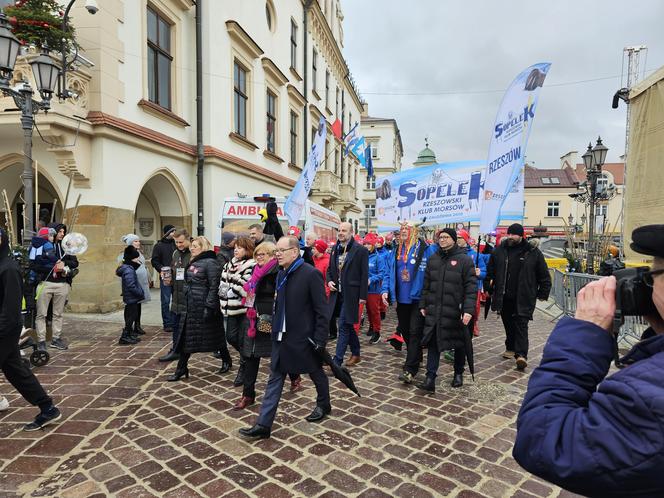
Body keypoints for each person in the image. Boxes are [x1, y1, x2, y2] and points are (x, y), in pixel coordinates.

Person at [513, 224, 664, 496]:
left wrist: (585, 332)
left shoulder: (647, 396)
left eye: (654, 274)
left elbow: (544, 438)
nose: (648, 285)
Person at [239, 235, 330, 440]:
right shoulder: (281, 274)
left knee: (316, 372)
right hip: (280, 336)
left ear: (294, 252)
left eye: (281, 250)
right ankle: (264, 424)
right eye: (276, 250)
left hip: (304, 338)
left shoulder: (311, 274)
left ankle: (324, 404)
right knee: (275, 378)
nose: (277, 254)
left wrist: (320, 340)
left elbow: (322, 311)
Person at [0, 228, 62, 431]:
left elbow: (10, 310)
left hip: (5, 329)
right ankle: (48, 408)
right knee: (16, 371)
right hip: (5, 329)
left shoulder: (8, 268)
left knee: (16, 370)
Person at [235, 242, 302, 410]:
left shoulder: (276, 273)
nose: (259, 257)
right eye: (257, 254)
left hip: (269, 320)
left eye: (263, 254)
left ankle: (295, 377)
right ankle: (248, 395)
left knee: (280, 353)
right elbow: (250, 293)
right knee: (250, 356)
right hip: (252, 319)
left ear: (272, 256)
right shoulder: (256, 272)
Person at [417, 229, 477, 391]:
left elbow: (471, 288)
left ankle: (458, 373)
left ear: (454, 240)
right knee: (433, 342)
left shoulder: (465, 260)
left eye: (446, 237)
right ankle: (430, 378)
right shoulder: (433, 259)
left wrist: (468, 310)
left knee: (459, 343)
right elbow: (426, 285)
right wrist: (423, 304)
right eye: (440, 237)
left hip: (456, 310)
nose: (442, 240)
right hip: (435, 310)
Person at [486, 223, 551, 371]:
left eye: (513, 234)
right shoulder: (499, 251)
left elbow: (544, 275)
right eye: (508, 234)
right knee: (508, 323)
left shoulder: (532, 252)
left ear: (521, 235)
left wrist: (543, 293)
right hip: (504, 296)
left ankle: (521, 355)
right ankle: (510, 347)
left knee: (521, 324)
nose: (510, 237)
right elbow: (491, 271)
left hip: (524, 296)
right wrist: (488, 287)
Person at [382, 223, 433, 384]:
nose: (402, 233)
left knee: (415, 331)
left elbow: (433, 273)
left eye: (406, 230)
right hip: (401, 299)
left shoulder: (425, 250)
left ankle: (410, 369)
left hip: (418, 299)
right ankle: (416, 356)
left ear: (414, 232)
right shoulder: (395, 250)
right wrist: (385, 290)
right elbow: (388, 272)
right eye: (401, 231)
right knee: (405, 331)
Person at [167, 236, 223, 381]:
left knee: (214, 336)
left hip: (203, 306)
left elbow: (214, 286)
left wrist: (209, 306)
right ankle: (181, 368)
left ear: (203, 247)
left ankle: (226, 359)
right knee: (187, 338)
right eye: (191, 245)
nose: (192, 248)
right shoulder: (194, 261)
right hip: (191, 306)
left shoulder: (211, 263)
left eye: (195, 246)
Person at [327, 222, 368, 366]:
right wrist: (329, 281)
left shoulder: (360, 250)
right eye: (339, 230)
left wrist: (363, 296)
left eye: (344, 230)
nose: (340, 233)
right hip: (337, 294)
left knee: (343, 325)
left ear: (351, 232)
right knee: (348, 325)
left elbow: (364, 274)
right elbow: (330, 269)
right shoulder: (334, 249)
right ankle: (356, 353)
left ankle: (337, 361)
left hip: (352, 294)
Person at [34, 223, 79, 351]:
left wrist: (64, 264)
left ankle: (56, 339)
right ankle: (41, 340)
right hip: (46, 283)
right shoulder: (43, 246)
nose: (62, 234)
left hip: (62, 284)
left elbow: (75, 262)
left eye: (64, 232)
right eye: (60, 232)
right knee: (41, 314)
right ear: (53, 232)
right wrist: (52, 266)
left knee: (58, 314)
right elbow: (35, 265)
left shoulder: (66, 248)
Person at [219, 236, 256, 385]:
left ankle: (243, 368)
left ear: (247, 250)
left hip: (243, 308)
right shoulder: (229, 264)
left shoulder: (251, 264)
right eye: (235, 247)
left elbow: (245, 284)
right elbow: (224, 281)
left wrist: (232, 287)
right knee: (231, 337)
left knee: (241, 338)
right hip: (229, 307)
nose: (236, 250)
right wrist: (224, 291)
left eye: (240, 248)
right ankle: (246, 359)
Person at [159, 229, 191, 362]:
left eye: (181, 242)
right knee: (176, 326)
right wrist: (168, 279)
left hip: (189, 297)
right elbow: (174, 270)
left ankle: (220, 351)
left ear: (188, 240)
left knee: (195, 330)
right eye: (177, 242)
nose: (179, 245)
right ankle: (176, 350)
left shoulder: (194, 253)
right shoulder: (175, 253)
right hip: (177, 297)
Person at [120, 234, 151, 337]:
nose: (138, 243)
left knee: (138, 305)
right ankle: (129, 328)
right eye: (135, 241)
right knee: (131, 307)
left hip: (140, 283)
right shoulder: (128, 253)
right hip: (133, 284)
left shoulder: (138, 253)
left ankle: (137, 325)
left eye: (138, 241)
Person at [116, 245, 145, 345]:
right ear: (132, 258)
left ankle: (128, 334)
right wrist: (140, 293)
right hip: (131, 297)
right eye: (136, 258)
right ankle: (124, 336)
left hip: (130, 298)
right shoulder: (129, 270)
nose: (138, 260)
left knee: (131, 316)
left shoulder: (128, 268)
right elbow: (131, 285)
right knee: (130, 317)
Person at [362, 233, 387, 344]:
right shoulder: (362, 256)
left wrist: (371, 279)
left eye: (369, 244)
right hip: (363, 289)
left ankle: (377, 332)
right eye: (365, 244)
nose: (366, 246)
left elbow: (382, 274)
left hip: (374, 289)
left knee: (374, 311)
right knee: (368, 310)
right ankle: (371, 327)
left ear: (373, 245)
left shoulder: (378, 258)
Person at [151, 225, 177, 332]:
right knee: (166, 301)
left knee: (177, 300)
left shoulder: (176, 244)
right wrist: (161, 269)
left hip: (177, 277)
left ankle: (175, 321)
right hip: (165, 277)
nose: (174, 233)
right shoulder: (159, 246)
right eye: (172, 231)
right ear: (167, 233)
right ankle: (167, 323)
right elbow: (154, 261)